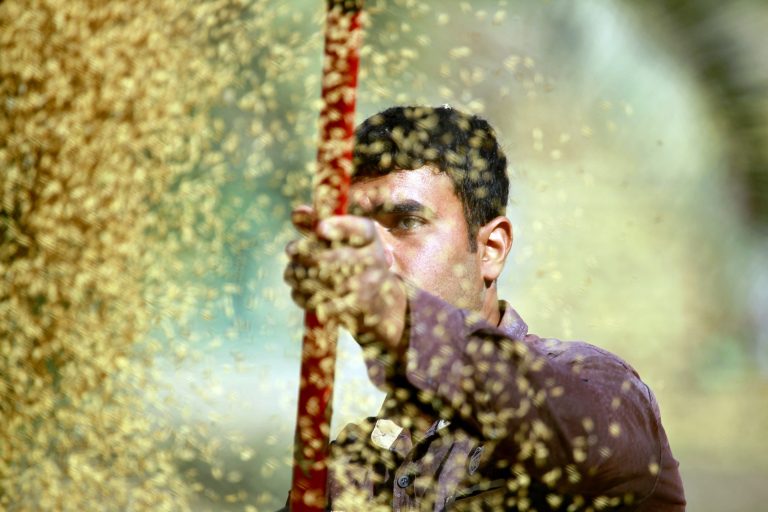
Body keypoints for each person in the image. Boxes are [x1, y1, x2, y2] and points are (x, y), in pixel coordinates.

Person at [283, 105, 686, 511]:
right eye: (358, 229)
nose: (374, 254)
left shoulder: (596, 386)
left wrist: (391, 310)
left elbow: (583, 437)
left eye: (405, 222)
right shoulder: (348, 472)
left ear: (490, 249)